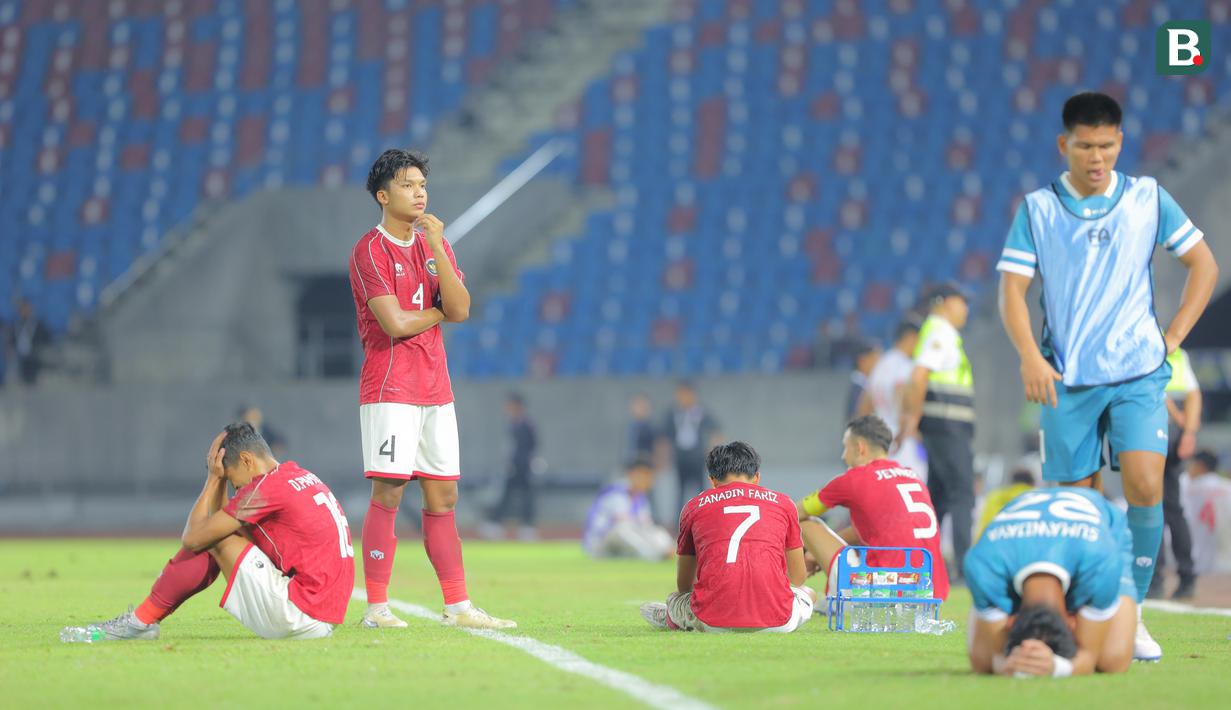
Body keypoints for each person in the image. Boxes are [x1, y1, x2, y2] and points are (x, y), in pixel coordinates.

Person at [996, 91, 1219, 660]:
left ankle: (1133, 614)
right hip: (1066, 377)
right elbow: (1013, 291)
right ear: (1063, 144)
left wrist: (1172, 338)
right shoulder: (1038, 209)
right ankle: (1083, 612)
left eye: (1107, 146)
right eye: (1086, 146)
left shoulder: (1148, 197)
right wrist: (1028, 354)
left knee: (1145, 484)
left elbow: (1204, 264)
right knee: (1079, 506)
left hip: (1139, 372)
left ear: (1120, 142)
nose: (1097, 157)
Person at [349, 148, 514, 630]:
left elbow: (462, 308)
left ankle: (458, 606)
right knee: (390, 493)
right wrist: (439, 313)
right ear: (383, 195)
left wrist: (440, 247)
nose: (419, 191)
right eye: (406, 184)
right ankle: (377, 607)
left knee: (443, 499)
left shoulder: (433, 244)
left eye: (422, 183)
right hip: (390, 387)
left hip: (435, 389)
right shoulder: (369, 251)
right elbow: (395, 323)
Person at [62, 424, 354, 641]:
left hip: (301, 614)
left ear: (248, 461)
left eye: (232, 479)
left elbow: (193, 537)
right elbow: (232, 529)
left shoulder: (264, 490)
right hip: (323, 614)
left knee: (213, 540)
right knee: (223, 535)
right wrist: (222, 482)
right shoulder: (296, 475)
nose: (236, 488)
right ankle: (141, 622)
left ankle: (138, 623)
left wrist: (213, 478)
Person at [639, 442, 815, 633]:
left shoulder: (694, 506)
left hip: (711, 621)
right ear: (757, 478)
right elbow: (798, 578)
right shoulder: (784, 503)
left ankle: (673, 617)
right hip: (778, 622)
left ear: (713, 480)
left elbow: (684, 585)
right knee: (808, 593)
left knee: (676, 598)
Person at [964, 486, 1137, 677]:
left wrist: (1057, 667)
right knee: (981, 660)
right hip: (1028, 531)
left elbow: (1089, 656)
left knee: (1113, 660)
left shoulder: (1102, 560)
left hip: (1104, 522)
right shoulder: (982, 564)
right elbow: (988, 659)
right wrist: (1011, 664)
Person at [796, 415, 950, 601]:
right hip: (931, 593)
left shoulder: (854, 479)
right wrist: (816, 553)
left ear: (860, 448)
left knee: (807, 524)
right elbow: (879, 529)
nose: (844, 456)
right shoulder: (912, 476)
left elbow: (795, 512)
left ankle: (784, 589)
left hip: (883, 593)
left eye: (846, 447)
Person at [900, 282, 975, 581]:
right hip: (946, 426)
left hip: (944, 426)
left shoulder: (939, 331)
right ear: (943, 303)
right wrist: (913, 417)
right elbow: (918, 376)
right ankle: (965, 567)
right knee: (963, 493)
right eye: (961, 302)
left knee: (939, 497)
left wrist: (913, 417)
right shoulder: (940, 331)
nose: (966, 309)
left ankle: (920, 558)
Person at [1150, 346, 1201, 599]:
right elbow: (1194, 394)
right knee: (1171, 509)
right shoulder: (1178, 352)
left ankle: (1155, 579)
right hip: (1174, 433)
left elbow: (1155, 389)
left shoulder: (1141, 341)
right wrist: (1189, 431)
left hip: (1152, 430)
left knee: (1149, 506)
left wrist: (1182, 423)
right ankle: (1186, 577)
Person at [859, 318, 926, 479]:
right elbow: (901, 391)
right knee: (913, 486)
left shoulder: (880, 365)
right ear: (911, 337)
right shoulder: (905, 366)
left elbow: (865, 406)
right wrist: (911, 425)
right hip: (901, 439)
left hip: (879, 439)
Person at [583, 457, 674, 560]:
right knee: (623, 528)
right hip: (599, 544)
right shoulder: (616, 492)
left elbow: (646, 525)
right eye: (644, 475)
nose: (648, 480)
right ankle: (653, 555)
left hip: (619, 546)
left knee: (656, 530)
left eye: (650, 476)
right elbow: (623, 521)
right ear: (631, 474)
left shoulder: (641, 497)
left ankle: (669, 549)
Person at [660, 381, 722, 522]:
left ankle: (703, 518)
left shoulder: (701, 412)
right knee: (679, 493)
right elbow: (664, 437)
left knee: (700, 491)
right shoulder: (672, 413)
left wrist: (712, 453)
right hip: (680, 457)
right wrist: (664, 458)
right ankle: (679, 522)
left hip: (697, 457)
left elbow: (715, 430)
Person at [483, 392, 539, 540]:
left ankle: (527, 527)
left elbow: (531, 445)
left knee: (525, 496)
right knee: (508, 495)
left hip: (523, 467)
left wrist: (523, 462)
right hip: (513, 466)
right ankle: (497, 523)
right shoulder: (513, 424)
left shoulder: (526, 424)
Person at [1184, 450, 1231, 576]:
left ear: (1200, 465)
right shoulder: (1227, 486)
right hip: (1226, 563)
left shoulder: (1186, 486)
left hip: (1196, 563)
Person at [975, 466, 1037, 540]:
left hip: (992, 544)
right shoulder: (1037, 497)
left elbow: (983, 525)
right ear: (1032, 483)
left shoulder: (994, 496)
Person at [8, 299, 51, 385]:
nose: (24, 311)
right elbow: (11, 341)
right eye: (22, 309)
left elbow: (46, 339)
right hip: (19, 355)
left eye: (26, 309)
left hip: (33, 354)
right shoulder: (15, 325)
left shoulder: (38, 325)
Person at [846, 339, 881, 420]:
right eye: (875, 358)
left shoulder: (864, 384)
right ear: (862, 360)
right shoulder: (858, 388)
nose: (880, 363)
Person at [627, 392, 657, 460]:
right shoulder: (629, 428)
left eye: (644, 405)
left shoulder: (654, 430)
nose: (641, 408)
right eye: (638, 405)